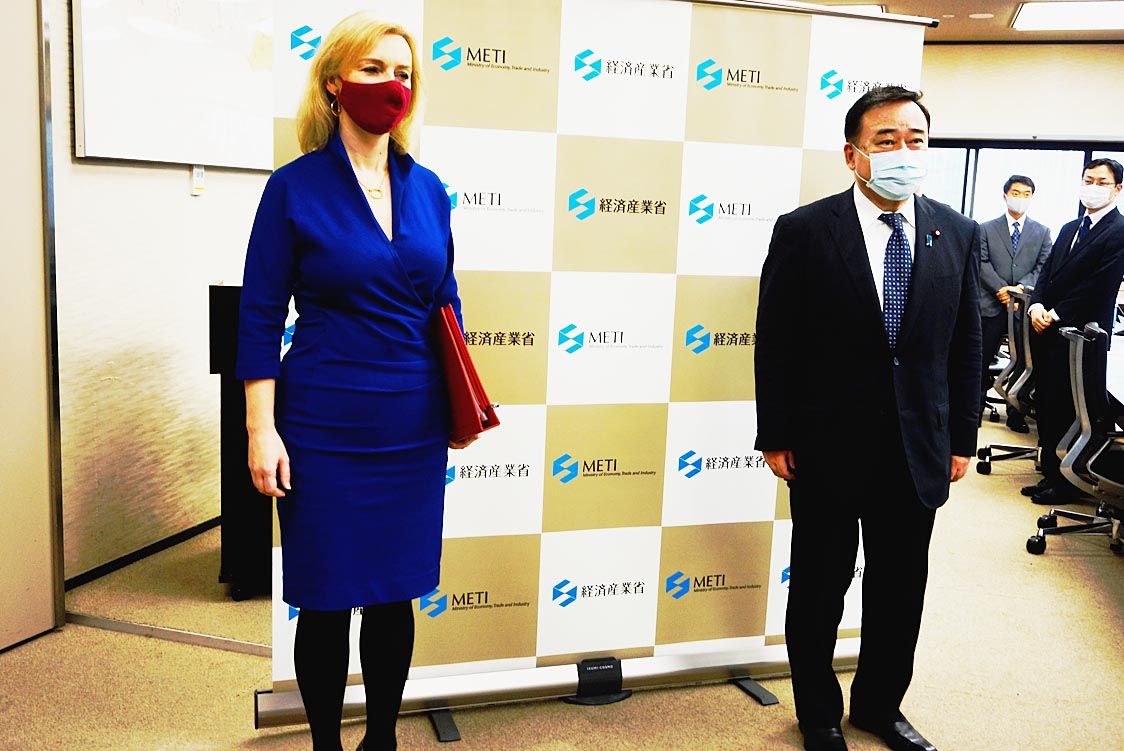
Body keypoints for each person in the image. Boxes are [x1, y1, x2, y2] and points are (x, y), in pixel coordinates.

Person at [235, 12, 477, 751]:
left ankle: (381, 739)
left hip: (411, 421)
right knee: (327, 599)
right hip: (322, 422)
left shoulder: (428, 189)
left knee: (395, 594)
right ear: (335, 82)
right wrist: (261, 428)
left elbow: (446, 304)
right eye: (373, 69)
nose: (390, 85)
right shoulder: (293, 188)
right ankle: (325, 744)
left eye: (403, 73)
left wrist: (460, 403)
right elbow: (259, 313)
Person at [754, 86, 981, 751]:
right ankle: (819, 714)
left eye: (916, 139)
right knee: (820, 587)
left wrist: (962, 438)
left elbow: (966, 343)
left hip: (918, 446)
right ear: (853, 155)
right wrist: (776, 433)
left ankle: (880, 706)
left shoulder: (956, 231)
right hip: (827, 443)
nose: (904, 151)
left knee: (900, 589)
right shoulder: (804, 230)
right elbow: (777, 340)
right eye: (887, 140)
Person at [1024, 158, 1124, 506]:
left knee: (1071, 410)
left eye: (1101, 182)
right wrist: (1036, 305)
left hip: (1082, 336)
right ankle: (1052, 474)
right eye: (1087, 180)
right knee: (1049, 405)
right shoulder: (1070, 227)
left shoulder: (1119, 231)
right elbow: (1046, 273)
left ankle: (1067, 483)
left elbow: (1098, 286)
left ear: (1118, 189)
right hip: (1049, 332)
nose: (1092, 187)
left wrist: (1054, 313)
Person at [978, 175, 1052, 433]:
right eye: (1016, 193)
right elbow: (981, 262)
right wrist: (1002, 290)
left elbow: (1043, 267)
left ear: (1032, 198)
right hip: (990, 304)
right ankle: (974, 409)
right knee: (980, 359)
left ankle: (1016, 413)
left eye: (1026, 194)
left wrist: (1019, 289)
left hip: (1023, 307)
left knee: (1023, 362)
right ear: (1005, 196)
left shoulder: (1042, 232)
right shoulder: (985, 229)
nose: (1020, 198)